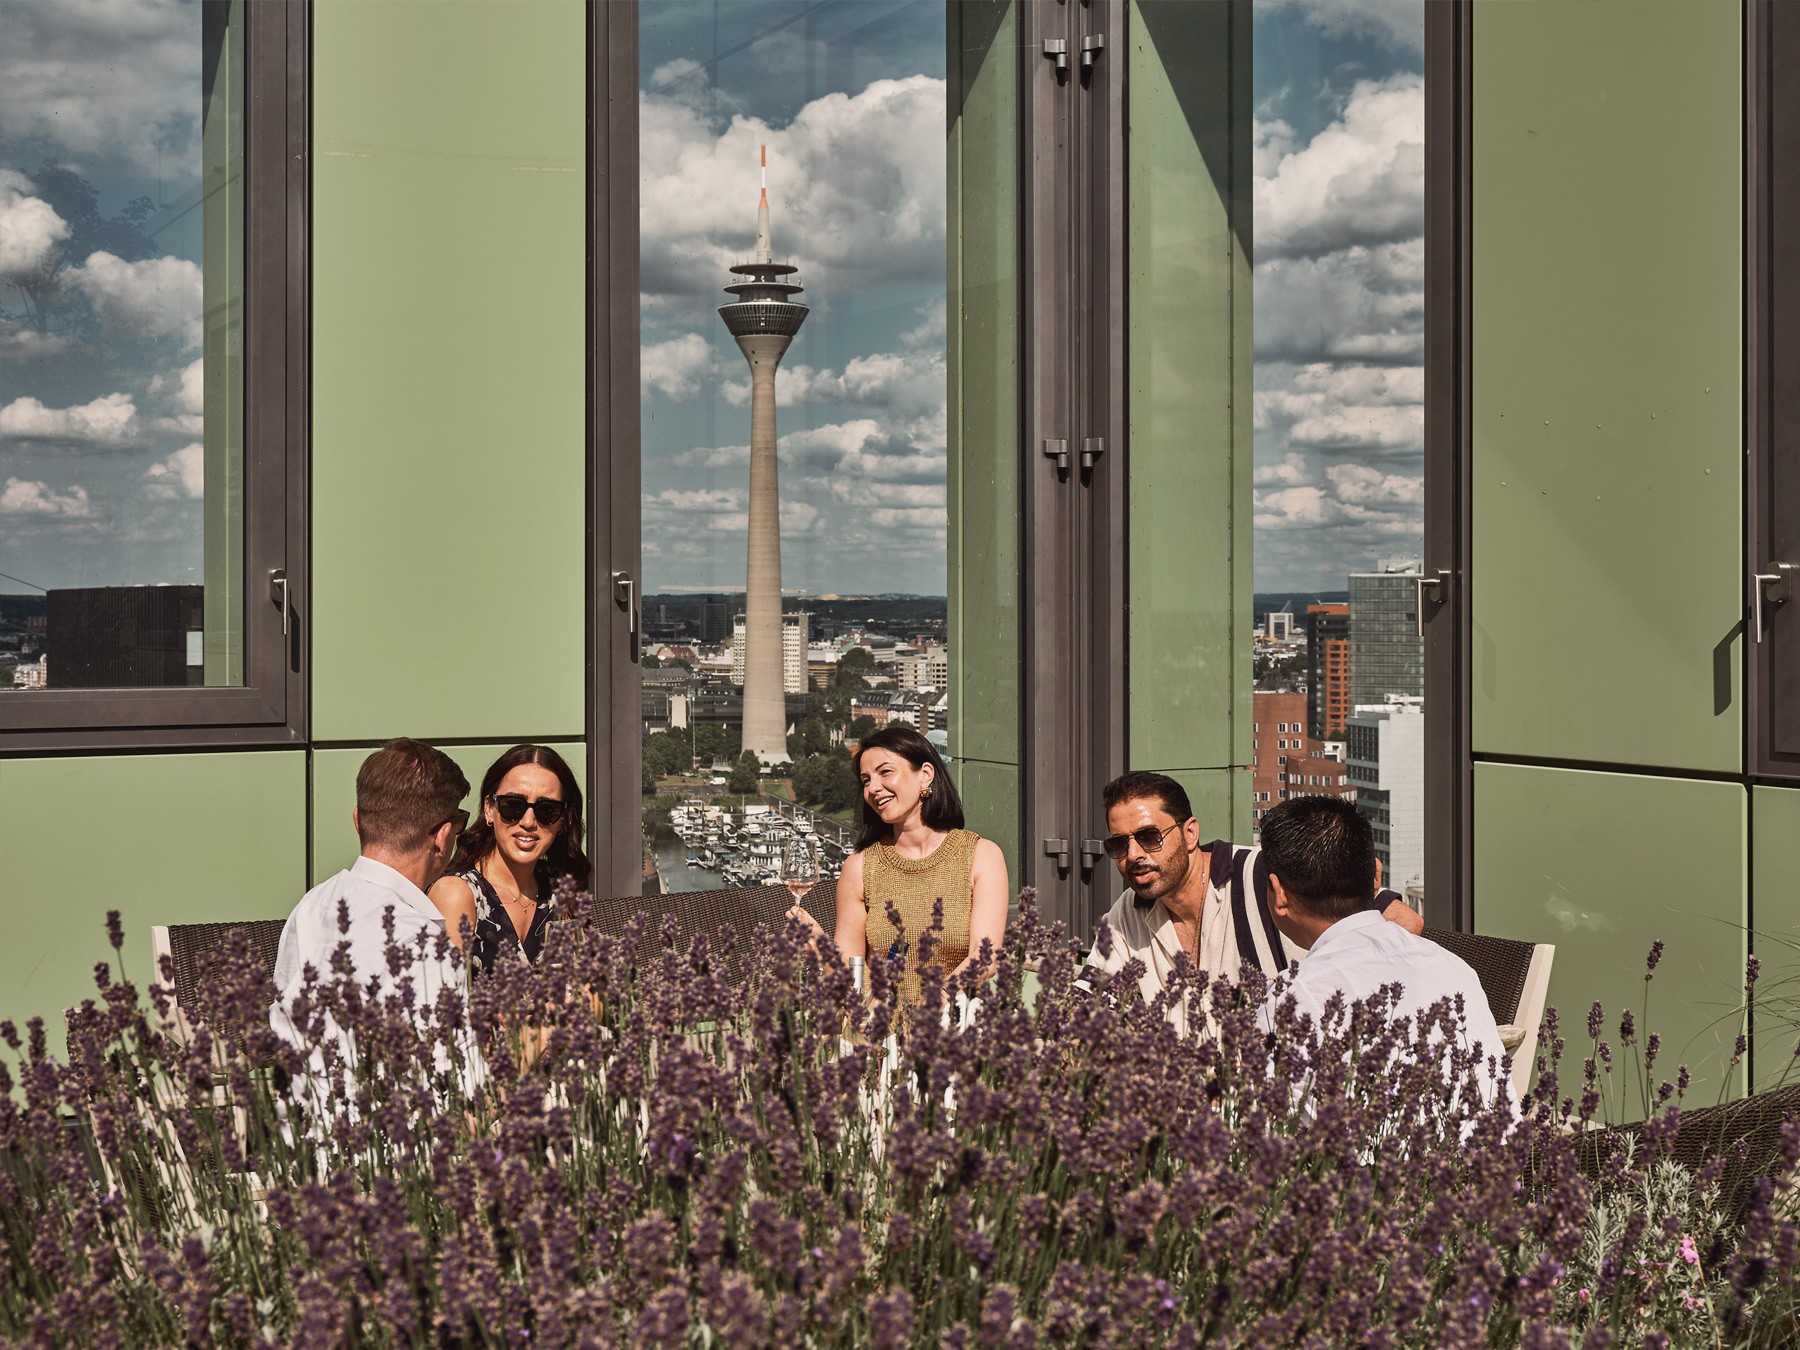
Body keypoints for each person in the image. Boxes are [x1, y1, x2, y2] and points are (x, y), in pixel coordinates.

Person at [1083, 770, 1424, 1034]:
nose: (1133, 855)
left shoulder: (1263, 873)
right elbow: (1085, 1013)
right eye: (1118, 845)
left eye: (1149, 837)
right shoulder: (1129, 911)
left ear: (1189, 833)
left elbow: (1403, 920)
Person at [1255, 794, 1509, 1107]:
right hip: (1497, 1156)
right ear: (1376, 876)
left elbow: (1270, 1132)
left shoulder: (1294, 998)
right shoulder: (1455, 967)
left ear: (1280, 894)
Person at [270, 738, 481, 1092]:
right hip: (390, 1143)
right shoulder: (423, 943)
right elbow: (456, 1097)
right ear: (443, 838)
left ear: (357, 820)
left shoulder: (312, 906)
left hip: (299, 1139)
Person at [792, 724, 1008, 1012]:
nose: (873, 788)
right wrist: (822, 949)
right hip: (881, 1032)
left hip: (956, 1029)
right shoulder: (859, 869)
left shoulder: (981, 856)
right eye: (866, 780)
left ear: (926, 776)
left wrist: (929, 1011)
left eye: (885, 772)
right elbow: (850, 977)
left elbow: (984, 959)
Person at [428, 744, 590, 974]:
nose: (528, 821)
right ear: (489, 809)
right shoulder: (457, 894)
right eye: (513, 805)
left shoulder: (559, 890)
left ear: (562, 820)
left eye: (547, 810)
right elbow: (446, 1003)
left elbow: (586, 990)